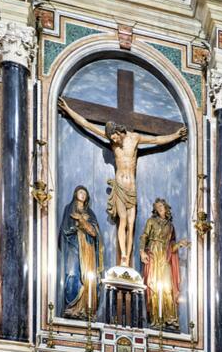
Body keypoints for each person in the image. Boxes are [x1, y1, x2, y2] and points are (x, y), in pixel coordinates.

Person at [58, 97, 186, 267]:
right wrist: (68, 110)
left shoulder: (134, 138)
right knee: (123, 220)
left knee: (131, 224)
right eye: (111, 139)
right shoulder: (113, 142)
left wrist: (175, 135)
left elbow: (156, 140)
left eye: (115, 138)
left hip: (132, 187)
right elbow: (86, 124)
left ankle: (128, 255)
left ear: (119, 132)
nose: (114, 141)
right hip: (119, 186)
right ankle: (124, 256)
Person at [139, 198, 189, 327]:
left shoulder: (170, 226)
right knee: (154, 285)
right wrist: (142, 252)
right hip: (153, 254)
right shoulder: (151, 221)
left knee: (167, 286)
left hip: (165, 257)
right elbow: (144, 236)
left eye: (161, 206)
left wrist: (180, 244)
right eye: (157, 207)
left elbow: (171, 247)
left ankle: (169, 318)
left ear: (166, 208)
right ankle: (156, 317)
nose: (160, 208)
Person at [59, 186, 103, 318]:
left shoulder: (91, 213)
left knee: (89, 277)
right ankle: (72, 307)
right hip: (73, 245)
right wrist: (77, 225)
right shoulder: (69, 209)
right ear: (75, 194)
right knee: (72, 273)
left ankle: (86, 309)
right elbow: (65, 228)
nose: (83, 194)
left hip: (88, 248)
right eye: (80, 192)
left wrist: (82, 221)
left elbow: (95, 233)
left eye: (85, 193)